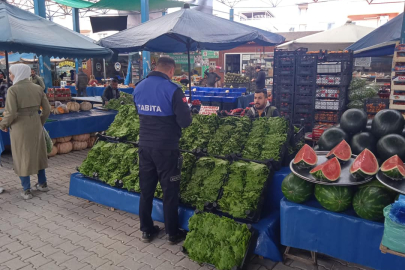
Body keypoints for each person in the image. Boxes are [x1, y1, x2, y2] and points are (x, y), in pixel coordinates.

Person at [133, 57, 192, 244]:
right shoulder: (173, 90)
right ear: (171, 71)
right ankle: (172, 233)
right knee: (169, 191)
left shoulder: (139, 87)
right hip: (166, 149)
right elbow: (185, 122)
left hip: (145, 147)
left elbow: (140, 112)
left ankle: (146, 230)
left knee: (146, 190)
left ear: (155, 67)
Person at [0, 64, 51, 200]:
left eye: (11, 73)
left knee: (22, 155)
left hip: (19, 127)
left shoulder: (13, 90)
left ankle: (26, 190)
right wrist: (40, 122)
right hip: (36, 123)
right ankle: (43, 183)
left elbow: (10, 113)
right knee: (38, 153)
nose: (10, 76)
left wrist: (3, 124)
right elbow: (47, 110)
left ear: (17, 73)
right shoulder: (38, 88)